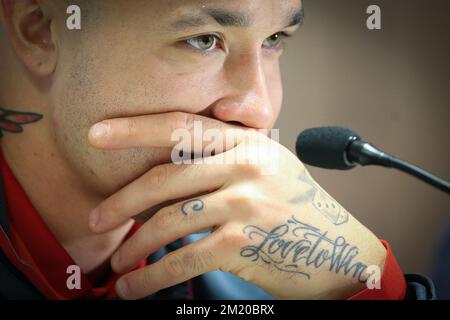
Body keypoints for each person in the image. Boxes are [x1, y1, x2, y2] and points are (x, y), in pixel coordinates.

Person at [0, 0, 435, 300]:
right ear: (38, 28)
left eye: (275, 39)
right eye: (204, 39)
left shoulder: (259, 280)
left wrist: (367, 287)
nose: (260, 112)